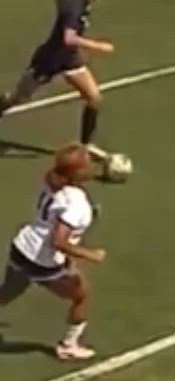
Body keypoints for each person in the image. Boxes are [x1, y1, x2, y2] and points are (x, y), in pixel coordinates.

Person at [0, 144, 106, 361]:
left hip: (22, 247)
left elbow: (66, 171)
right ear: (76, 172)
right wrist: (90, 254)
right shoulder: (76, 204)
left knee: (9, 291)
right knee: (82, 295)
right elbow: (58, 241)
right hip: (43, 261)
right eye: (87, 165)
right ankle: (69, 345)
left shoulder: (51, 178)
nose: (91, 167)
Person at [0, 0, 114, 156]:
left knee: (94, 97)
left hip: (69, 58)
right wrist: (98, 46)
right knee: (18, 98)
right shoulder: (73, 7)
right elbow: (69, 38)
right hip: (50, 60)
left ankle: (86, 145)